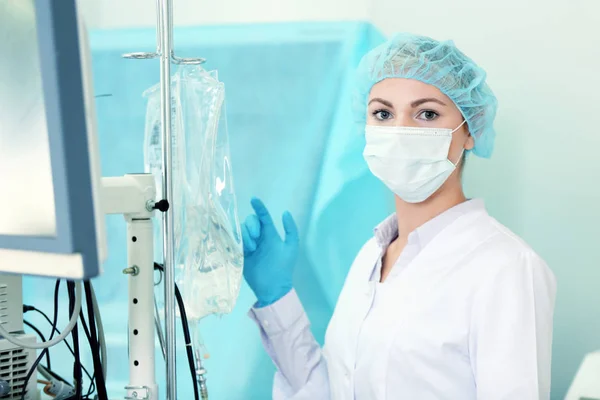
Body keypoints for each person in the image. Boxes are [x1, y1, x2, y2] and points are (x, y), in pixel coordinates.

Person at [241, 33, 557, 400]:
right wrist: (276, 300)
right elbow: (333, 390)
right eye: (383, 113)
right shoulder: (370, 257)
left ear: (471, 129)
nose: (400, 131)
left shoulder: (506, 268)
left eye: (427, 113)